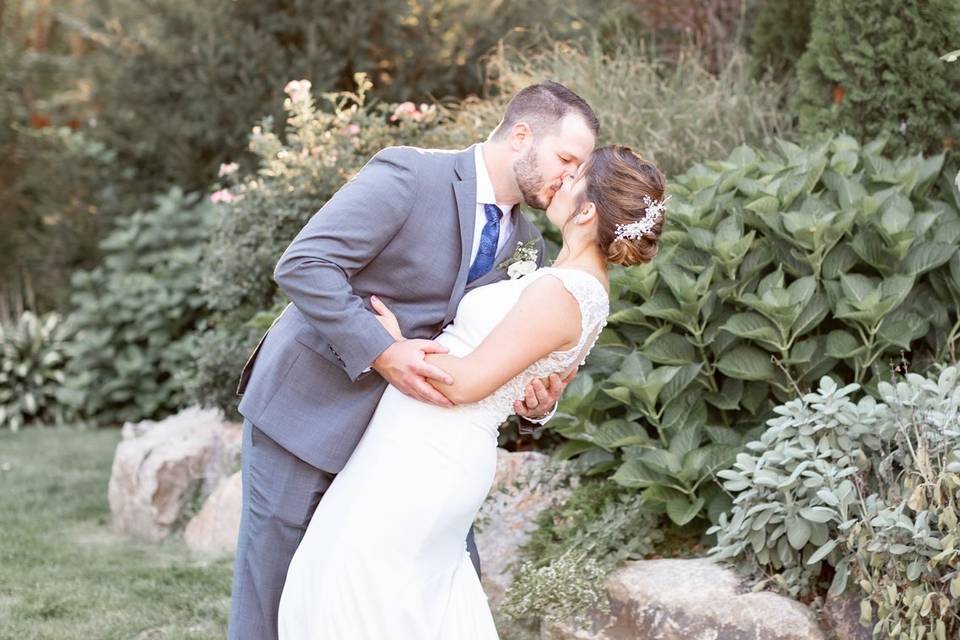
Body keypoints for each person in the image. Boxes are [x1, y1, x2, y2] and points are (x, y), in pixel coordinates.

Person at [228, 81, 599, 640]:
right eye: (566, 158)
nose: (569, 177)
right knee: (277, 597)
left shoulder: (531, 248)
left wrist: (536, 403)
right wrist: (383, 351)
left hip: (413, 445)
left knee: (429, 595)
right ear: (521, 135)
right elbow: (305, 263)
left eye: (579, 167)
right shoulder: (411, 174)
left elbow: (496, 352)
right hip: (311, 411)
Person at [278, 144, 667, 638]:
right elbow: (525, 378)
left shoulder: (562, 292)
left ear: (588, 210)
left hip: (430, 453)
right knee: (374, 597)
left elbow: (462, 384)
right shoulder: (573, 285)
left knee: (355, 598)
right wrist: (537, 403)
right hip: (418, 445)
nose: (561, 177)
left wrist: (393, 344)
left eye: (575, 176)